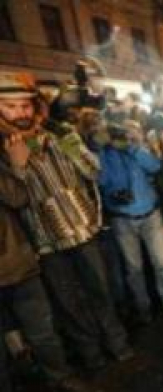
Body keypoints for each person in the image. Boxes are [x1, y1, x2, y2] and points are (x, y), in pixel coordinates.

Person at [0, 71, 133, 370]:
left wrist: (76, 151)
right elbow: (14, 199)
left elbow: (94, 173)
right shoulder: (3, 150)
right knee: (69, 305)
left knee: (101, 292)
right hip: (45, 243)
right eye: (10, 106)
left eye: (25, 105)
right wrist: (17, 166)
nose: (20, 113)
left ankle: (118, 345)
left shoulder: (58, 133)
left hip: (82, 229)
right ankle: (92, 356)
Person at [98, 121, 163, 324]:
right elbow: (101, 180)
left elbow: (155, 166)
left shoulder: (136, 150)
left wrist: (131, 147)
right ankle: (143, 309)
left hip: (151, 215)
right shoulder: (104, 155)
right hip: (123, 220)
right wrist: (105, 150)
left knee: (162, 265)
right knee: (134, 269)